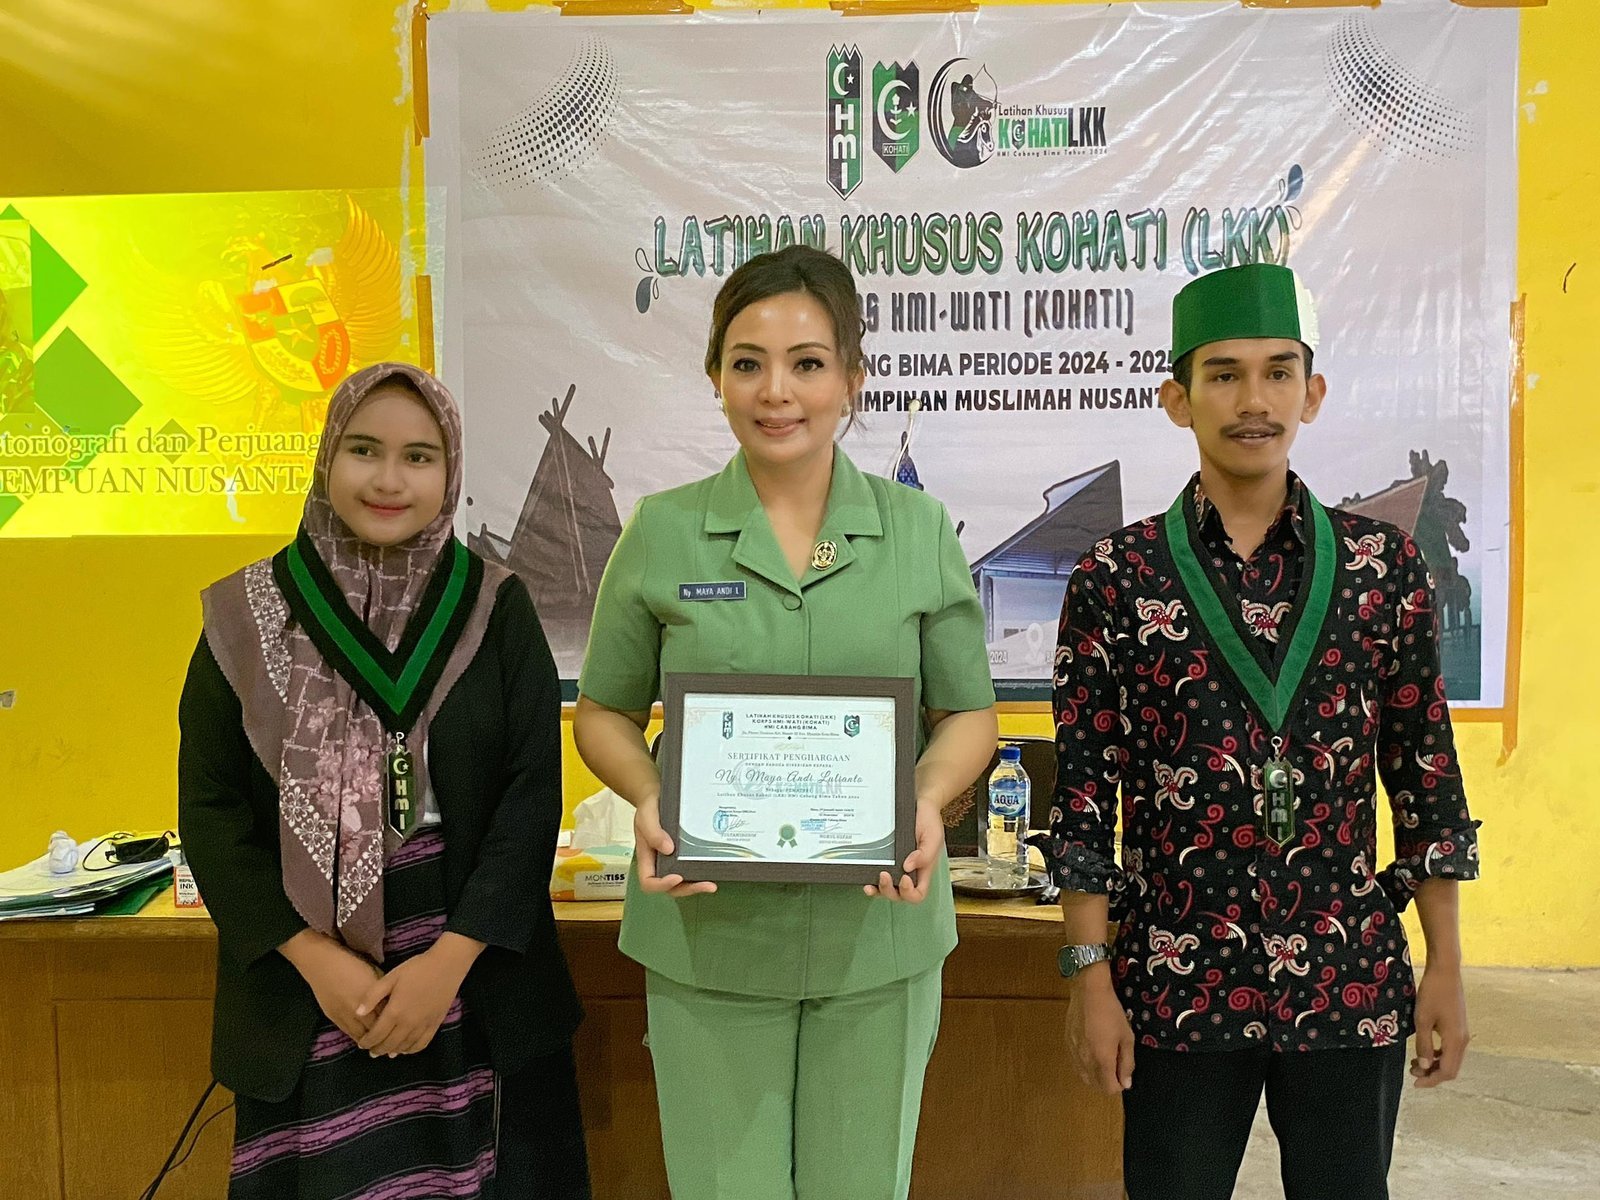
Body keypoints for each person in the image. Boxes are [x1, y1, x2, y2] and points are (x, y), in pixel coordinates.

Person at [1046, 263, 1481, 1200]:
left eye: (1279, 372)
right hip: (1175, 979)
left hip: (1347, 977)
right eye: (1224, 374)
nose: (1254, 400)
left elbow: (1425, 776)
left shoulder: (1382, 569)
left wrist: (1445, 963)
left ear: (1312, 393)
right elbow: (1084, 798)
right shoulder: (1118, 577)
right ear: (1178, 399)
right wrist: (1090, 976)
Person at [573, 245, 998, 1200]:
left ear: (852, 378)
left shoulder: (918, 529)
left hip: (879, 938)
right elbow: (602, 713)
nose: (777, 391)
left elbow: (967, 713)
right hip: (709, 937)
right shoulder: (662, 531)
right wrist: (648, 794)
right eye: (747, 362)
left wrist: (927, 797)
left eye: (808, 362)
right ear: (715, 376)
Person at [178, 362, 590, 1199]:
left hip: (470, 980)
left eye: (419, 456)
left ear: (450, 471)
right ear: (328, 456)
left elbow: (530, 799)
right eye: (364, 450)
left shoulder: (495, 607)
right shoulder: (248, 616)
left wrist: (447, 964)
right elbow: (210, 810)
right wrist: (316, 962)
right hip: (313, 993)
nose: (390, 479)